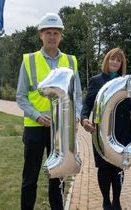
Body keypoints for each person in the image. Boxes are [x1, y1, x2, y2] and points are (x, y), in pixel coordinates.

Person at [16, 12, 82, 210]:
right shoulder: (29, 60)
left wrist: (76, 116)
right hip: (35, 128)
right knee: (30, 177)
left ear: (61, 35)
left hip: (61, 130)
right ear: (40, 35)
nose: (52, 36)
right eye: (48, 33)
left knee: (57, 177)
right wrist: (36, 115)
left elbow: (77, 95)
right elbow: (20, 96)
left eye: (56, 33)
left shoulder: (71, 62)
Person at [81, 47, 131, 210]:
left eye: (119, 60)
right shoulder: (96, 80)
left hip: (123, 130)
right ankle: (106, 200)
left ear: (122, 64)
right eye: (113, 59)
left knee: (119, 166)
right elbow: (88, 103)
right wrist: (84, 118)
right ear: (107, 60)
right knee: (104, 167)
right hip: (101, 131)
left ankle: (116, 200)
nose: (115, 62)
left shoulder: (127, 82)